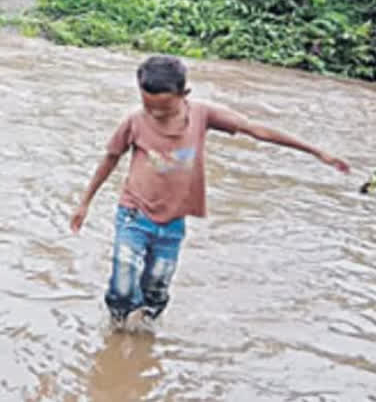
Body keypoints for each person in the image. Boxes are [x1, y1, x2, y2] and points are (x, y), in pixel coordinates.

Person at [69, 55, 351, 327]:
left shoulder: (203, 115)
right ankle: (117, 333)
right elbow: (110, 158)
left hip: (172, 224)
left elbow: (257, 130)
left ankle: (144, 334)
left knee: (156, 290)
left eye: (163, 109)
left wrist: (317, 152)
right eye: (148, 105)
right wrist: (85, 203)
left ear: (184, 93)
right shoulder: (134, 121)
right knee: (122, 285)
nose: (155, 113)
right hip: (133, 213)